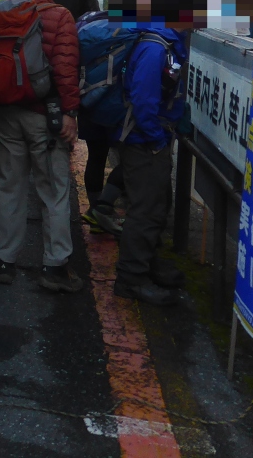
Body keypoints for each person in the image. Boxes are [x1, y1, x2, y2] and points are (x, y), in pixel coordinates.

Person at [0, 0, 85, 293]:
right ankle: (54, 266)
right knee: (53, 191)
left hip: (5, 112)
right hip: (45, 115)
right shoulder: (59, 15)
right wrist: (70, 112)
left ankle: (4, 261)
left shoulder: (2, 11)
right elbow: (66, 68)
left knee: (9, 188)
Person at [112, 27, 188, 305]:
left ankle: (146, 265)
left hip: (147, 140)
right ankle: (131, 279)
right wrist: (156, 140)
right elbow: (144, 101)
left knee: (156, 206)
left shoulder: (165, 43)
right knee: (145, 211)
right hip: (143, 142)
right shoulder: (155, 49)